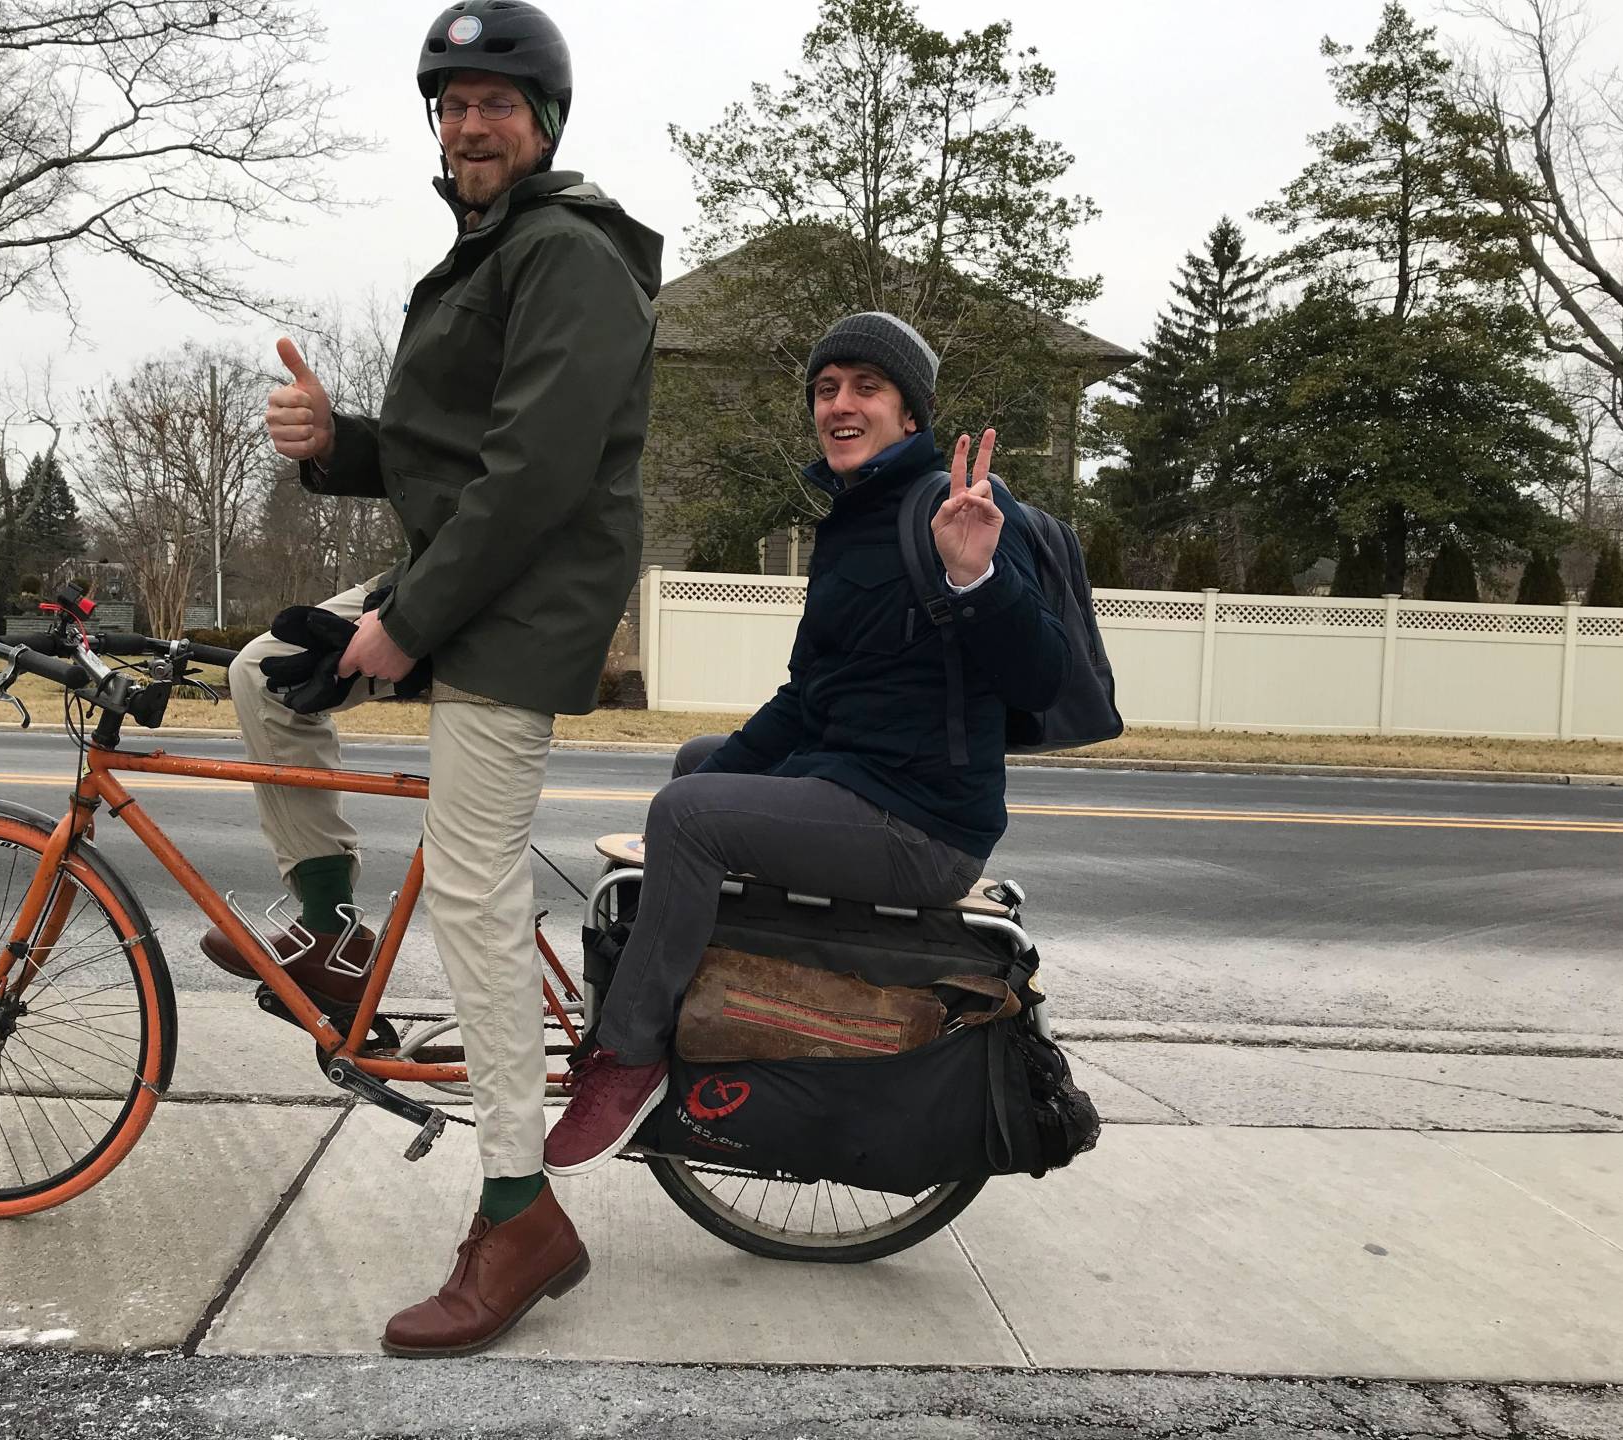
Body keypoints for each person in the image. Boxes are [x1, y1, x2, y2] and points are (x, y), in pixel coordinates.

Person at [204, 0, 662, 1357]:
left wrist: (401, 626)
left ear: (545, 122)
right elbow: (443, 451)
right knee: (265, 680)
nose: (469, 125)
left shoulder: (570, 258)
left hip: (516, 612)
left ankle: (519, 1214)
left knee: (471, 900)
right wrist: (328, 440)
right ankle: (335, 935)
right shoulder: (486, 256)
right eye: (451, 104)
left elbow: (531, 475)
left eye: (496, 104)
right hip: (463, 582)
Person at [543, 311, 1069, 1176]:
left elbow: (1040, 676)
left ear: (911, 414)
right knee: (695, 771)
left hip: (922, 823)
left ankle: (629, 1054)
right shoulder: (851, 521)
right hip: (858, 781)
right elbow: (807, 697)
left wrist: (973, 575)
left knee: (689, 815)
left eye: (867, 387)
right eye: (826, 390)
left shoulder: (958, 508)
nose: (840, 405)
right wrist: (718, 772)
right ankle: (714, 997)